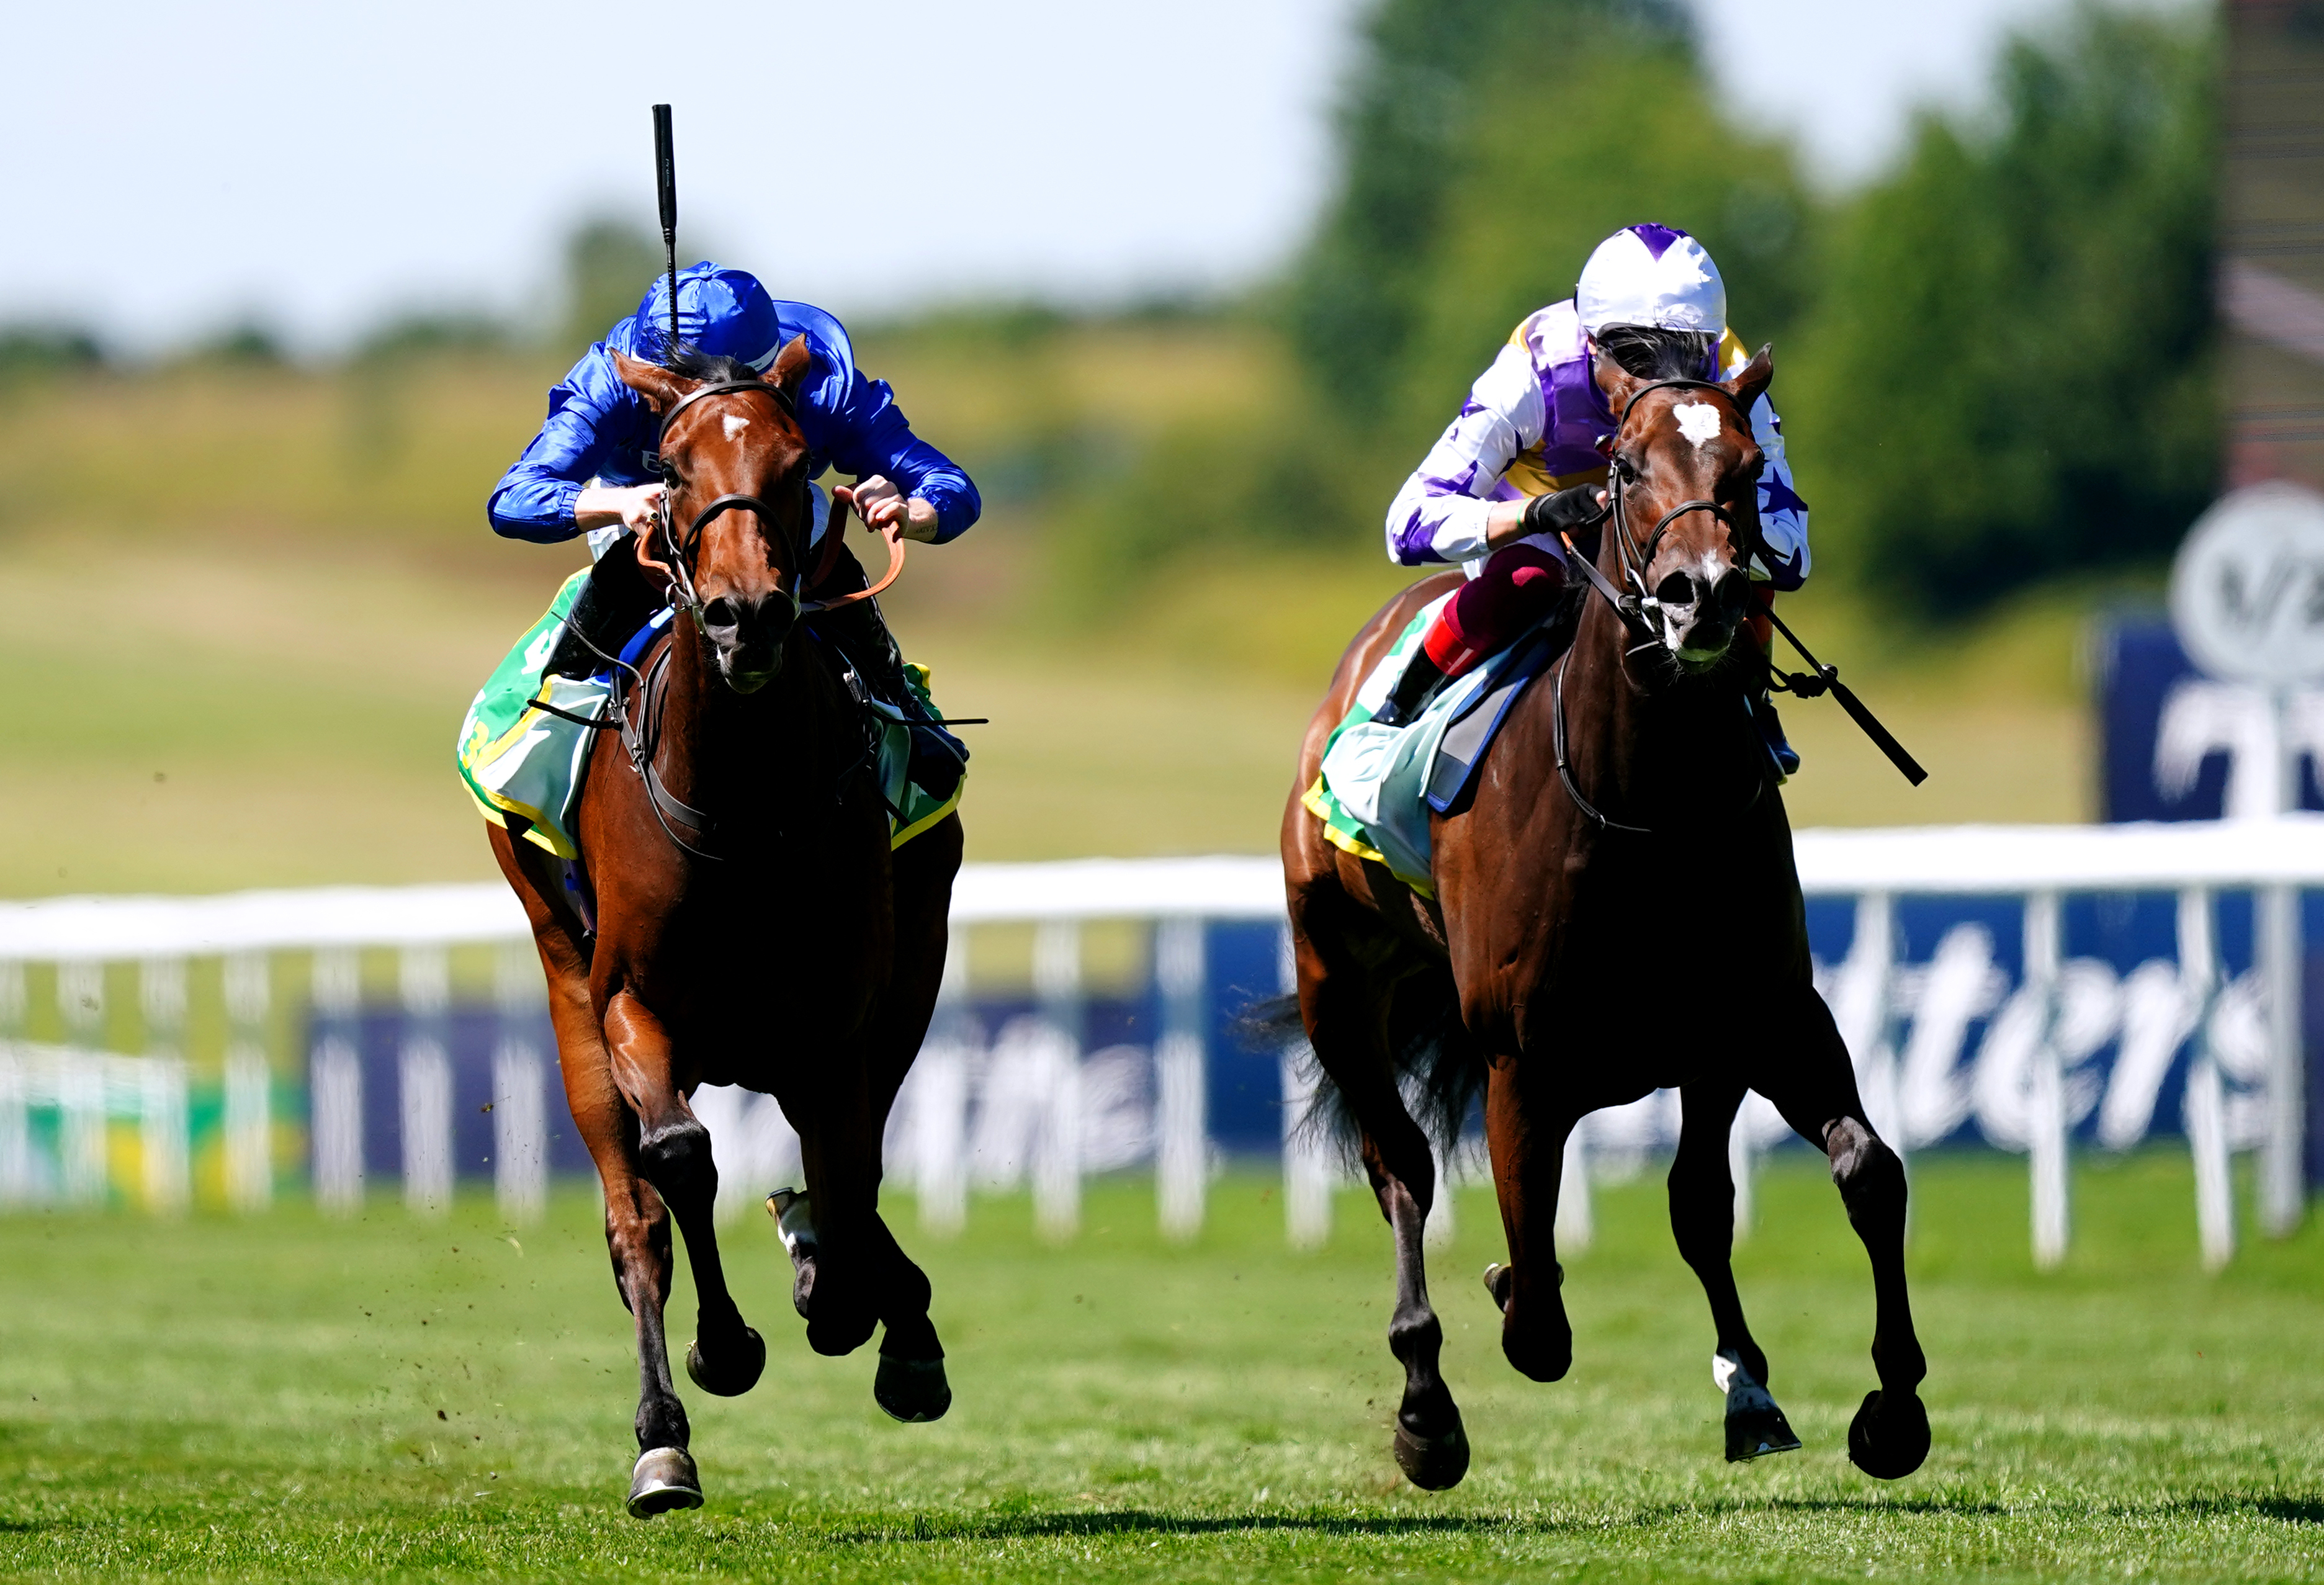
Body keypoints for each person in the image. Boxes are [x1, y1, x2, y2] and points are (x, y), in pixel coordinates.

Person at [1371, 223, 1808, 776]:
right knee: (1528, 579)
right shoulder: (1532, 371)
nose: (1654, 376)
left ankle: (1755, 702)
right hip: (1546, 526)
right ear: (1589, 342)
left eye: (1682, 356)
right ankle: (1400, 711)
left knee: (1737, 574)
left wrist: (1725, 523)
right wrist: (1534, 514)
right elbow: (1406, 523)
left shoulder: (1730, 376)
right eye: (1630, 354)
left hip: (1669, 533)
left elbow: (1792, 557)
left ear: (1708, 347)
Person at [488, 262, 979, 749]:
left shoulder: (827, 391)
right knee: (619, 575)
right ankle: (548, 719)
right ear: (652, 377)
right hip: (646, 510)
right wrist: (616, 502)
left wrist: (913, 513)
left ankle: (899, 707)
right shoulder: (612, 385)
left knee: (833, 564)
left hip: (777, 509)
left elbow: (950, 485)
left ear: (776, 379)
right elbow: (514, 499)